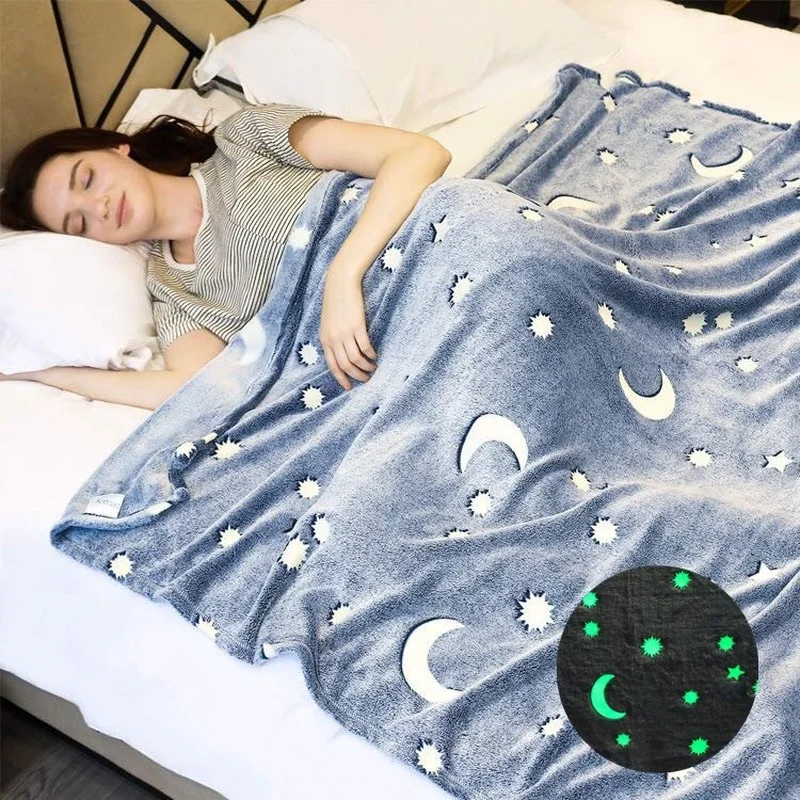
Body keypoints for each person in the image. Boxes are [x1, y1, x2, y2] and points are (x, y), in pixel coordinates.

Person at [0, 103, 452, 410]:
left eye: (87, 179)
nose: (98, 206)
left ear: (117, 147)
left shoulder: (243, 140)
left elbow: (417, 152)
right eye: (78, 223)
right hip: (398, 348)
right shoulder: (171, 290)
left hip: (440, 246)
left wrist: (343, 275)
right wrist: (47, 375)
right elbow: (200, 391)